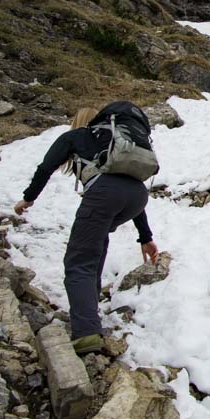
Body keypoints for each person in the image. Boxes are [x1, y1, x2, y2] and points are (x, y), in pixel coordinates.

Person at [14, 104, 160, 354]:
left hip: (104, 195)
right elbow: (124, 187)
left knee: (79, 261)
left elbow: (45, 168)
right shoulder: (118, 144)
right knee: (96, 240)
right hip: (137, 196)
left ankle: (86, 333)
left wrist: (28, 198)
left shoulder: (76, 137)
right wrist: (145, 237)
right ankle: (89, 307)